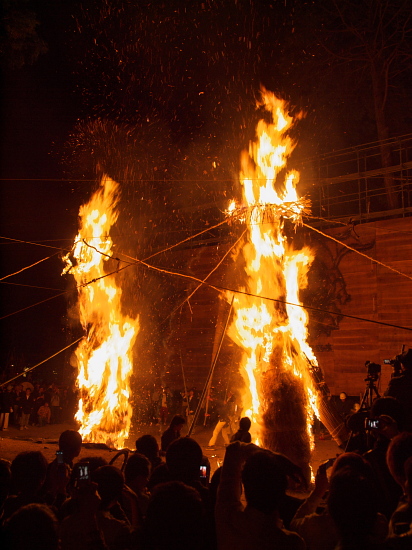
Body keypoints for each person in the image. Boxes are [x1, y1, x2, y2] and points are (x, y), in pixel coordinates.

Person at [215, 441, 305, 550]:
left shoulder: (228, 520)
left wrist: (276, 457)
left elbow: (234, 449)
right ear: (282, 494)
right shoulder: (291, 543)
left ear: (245, 484)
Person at [385, 349, 412, 431]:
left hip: (403, 425)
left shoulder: (397, 381)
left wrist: (395, 373)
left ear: (403, 365)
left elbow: (387, 399)